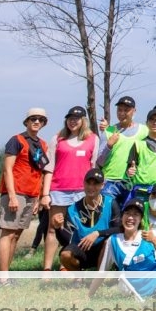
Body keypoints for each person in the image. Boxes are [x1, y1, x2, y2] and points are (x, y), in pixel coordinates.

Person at [0, 107, 51, 286]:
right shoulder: (16, 140)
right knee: (8, 233)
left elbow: (41, 172)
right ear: (26, 122)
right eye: (33, 119)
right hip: (15, 192)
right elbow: (7, 169)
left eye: (40, 120)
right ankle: (2, 277)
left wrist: (37, 198)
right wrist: (11, 196)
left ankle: (7, 274)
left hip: (31, 195)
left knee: (16, 235)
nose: (37, 122)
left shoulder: (42, 145)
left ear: (44, 124)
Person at [42, 105, 100, 272]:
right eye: (70, 118)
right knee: (54, 228)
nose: (73, 121)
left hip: (82, 191)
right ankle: (46, 269)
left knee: (76, 229)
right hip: (59, 189)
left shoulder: (92, 139)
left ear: (84, 121)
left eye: (77, 118)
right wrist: (45, 194)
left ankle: (67, 265)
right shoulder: (57, 139)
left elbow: (94, 165)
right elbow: (49, 167)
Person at [59, 168, 119, 271]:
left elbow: (119, 228)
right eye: (88, 183)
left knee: (109, 241)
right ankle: (78, 275)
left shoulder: (111, 203)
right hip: (82, 249)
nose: (91, 187)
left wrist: (98, 233)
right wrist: (57, 228)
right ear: (83, 184)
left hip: (104, 249)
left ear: (102, 185)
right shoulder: (73, 209)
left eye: (95, 184)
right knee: (65, 255)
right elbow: (66, 241)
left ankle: (98, 279)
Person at [97, 96, 142, 200]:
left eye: (126, 110)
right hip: (110, 181)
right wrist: (109, 145)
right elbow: (99, 162)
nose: (122, 113)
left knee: (130, 215)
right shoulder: (109, 131)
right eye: (119, 110)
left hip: (132, 181)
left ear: (134, 111)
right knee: (108, 213)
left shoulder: (143, 130)